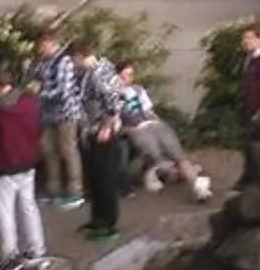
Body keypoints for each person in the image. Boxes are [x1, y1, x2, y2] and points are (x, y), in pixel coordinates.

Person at [0, 67, 47, 270]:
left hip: (4, 165)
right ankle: (37, 249)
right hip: (28, 162)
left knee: (5, 211)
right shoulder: (30, 101)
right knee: (28, 206)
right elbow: (40, 127)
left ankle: (9, 253)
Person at [114, 60, 211, 198]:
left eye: (130, 75)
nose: (128, 79)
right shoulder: (113, 96)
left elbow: (149, 111)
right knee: (159, 158)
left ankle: (196, 185)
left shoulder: (138, 90)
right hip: (137, 129)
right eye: (124, 76)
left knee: (177, 154)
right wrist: (127, 130)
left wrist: (158, 122)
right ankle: (183, 176)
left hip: (153, 125)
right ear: (117, 77)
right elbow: (116, 123)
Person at [71, 35, 127, 240]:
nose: (73, 64)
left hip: (102, 130)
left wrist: (107, 125)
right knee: (94, 176)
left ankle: (109, 222)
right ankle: (97, 217)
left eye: (73, 59)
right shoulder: (86, 73)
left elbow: (114, 99)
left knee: (105, 176)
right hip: (90, 129)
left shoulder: (99, 73)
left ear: (80, 56)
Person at [26, 28, 84, 207]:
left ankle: (75, 189)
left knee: (67, 149)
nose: (39, 49)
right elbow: (34, 76)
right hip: (48, 113)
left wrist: (40, 94)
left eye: (42, 46)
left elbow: (62, 92)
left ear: (51, 43)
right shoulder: (43, 61)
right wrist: (30, 68)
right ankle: (53, 188)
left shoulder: (64, 61)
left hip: (66, 112)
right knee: (48, 149)